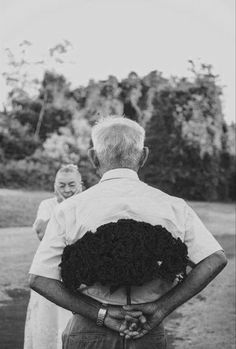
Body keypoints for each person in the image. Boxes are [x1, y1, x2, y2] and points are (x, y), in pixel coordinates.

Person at [29, 116, 227, 349]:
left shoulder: (69, 209)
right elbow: (215, 258)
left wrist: (102, 313)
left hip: (89, 332)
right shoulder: (173, 205)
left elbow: (39, 278)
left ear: (93, 157)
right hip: (147, 330)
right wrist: (162, 307)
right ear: (143, 156)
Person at [24, 164, 83, 349]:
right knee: (47, 322)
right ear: (54, 186)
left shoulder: (87, 203)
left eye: (71, 185)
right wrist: (63, 207)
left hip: (76, 274)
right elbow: (41, 232)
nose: (66, 190)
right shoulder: (48, 205)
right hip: (49, 273)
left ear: (81, 184)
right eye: (61, 185)